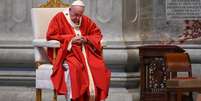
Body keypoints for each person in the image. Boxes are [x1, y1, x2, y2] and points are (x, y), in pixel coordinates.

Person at [46, 0, 111, 101]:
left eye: (80, 15)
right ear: (70, 9)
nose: (77, 18)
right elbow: (51, 35)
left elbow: (97, 33)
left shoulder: (85, 20)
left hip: (86, 52)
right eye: (75, 15)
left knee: (99, 66)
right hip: (68, 53)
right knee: (76, 67)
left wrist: (86, 39)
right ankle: (76, 98)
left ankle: (93, 98)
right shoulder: (59, 18)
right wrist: (71, 39)